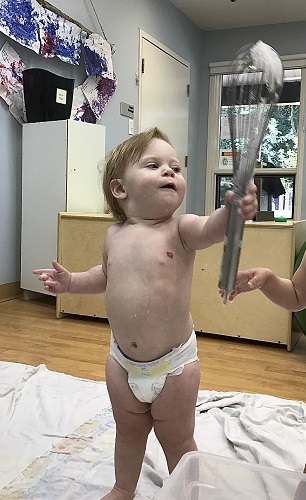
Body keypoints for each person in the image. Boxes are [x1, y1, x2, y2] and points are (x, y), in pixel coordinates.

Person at [33, 127, 257, 500]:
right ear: (120, 189)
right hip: (122, 363)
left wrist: (231, 212)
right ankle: (123, 487)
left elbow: (210, 230)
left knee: (177, 436)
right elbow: (103, 276)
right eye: (154, 165)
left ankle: (190, 491)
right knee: (129, 430)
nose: (170, 172)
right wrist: (71, 282)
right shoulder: (113, 235)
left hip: (175, 367)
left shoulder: (180, 229)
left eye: (175, 167)